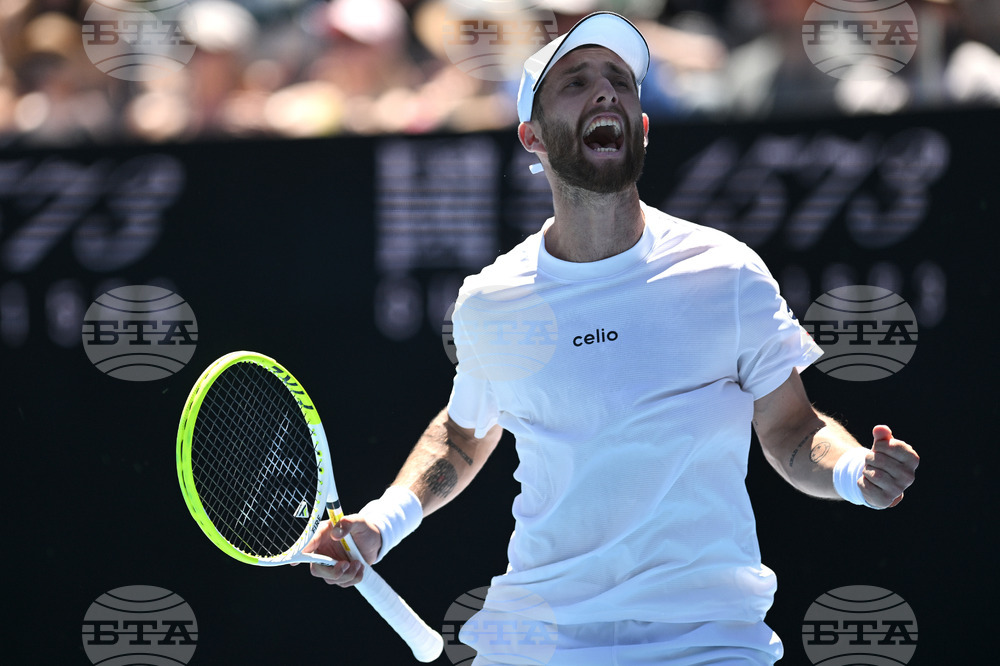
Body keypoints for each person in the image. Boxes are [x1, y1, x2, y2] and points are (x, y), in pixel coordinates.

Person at [304, 12, 920, 665]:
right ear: (532, 137)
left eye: (620, 82)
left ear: (643, 127)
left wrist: (855, 470)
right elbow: (463, 435)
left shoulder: (727, 274)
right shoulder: (494, 300)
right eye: (576, 82)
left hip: (708, 642)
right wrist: (381, 522)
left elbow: (792, 431)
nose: (605, 93)